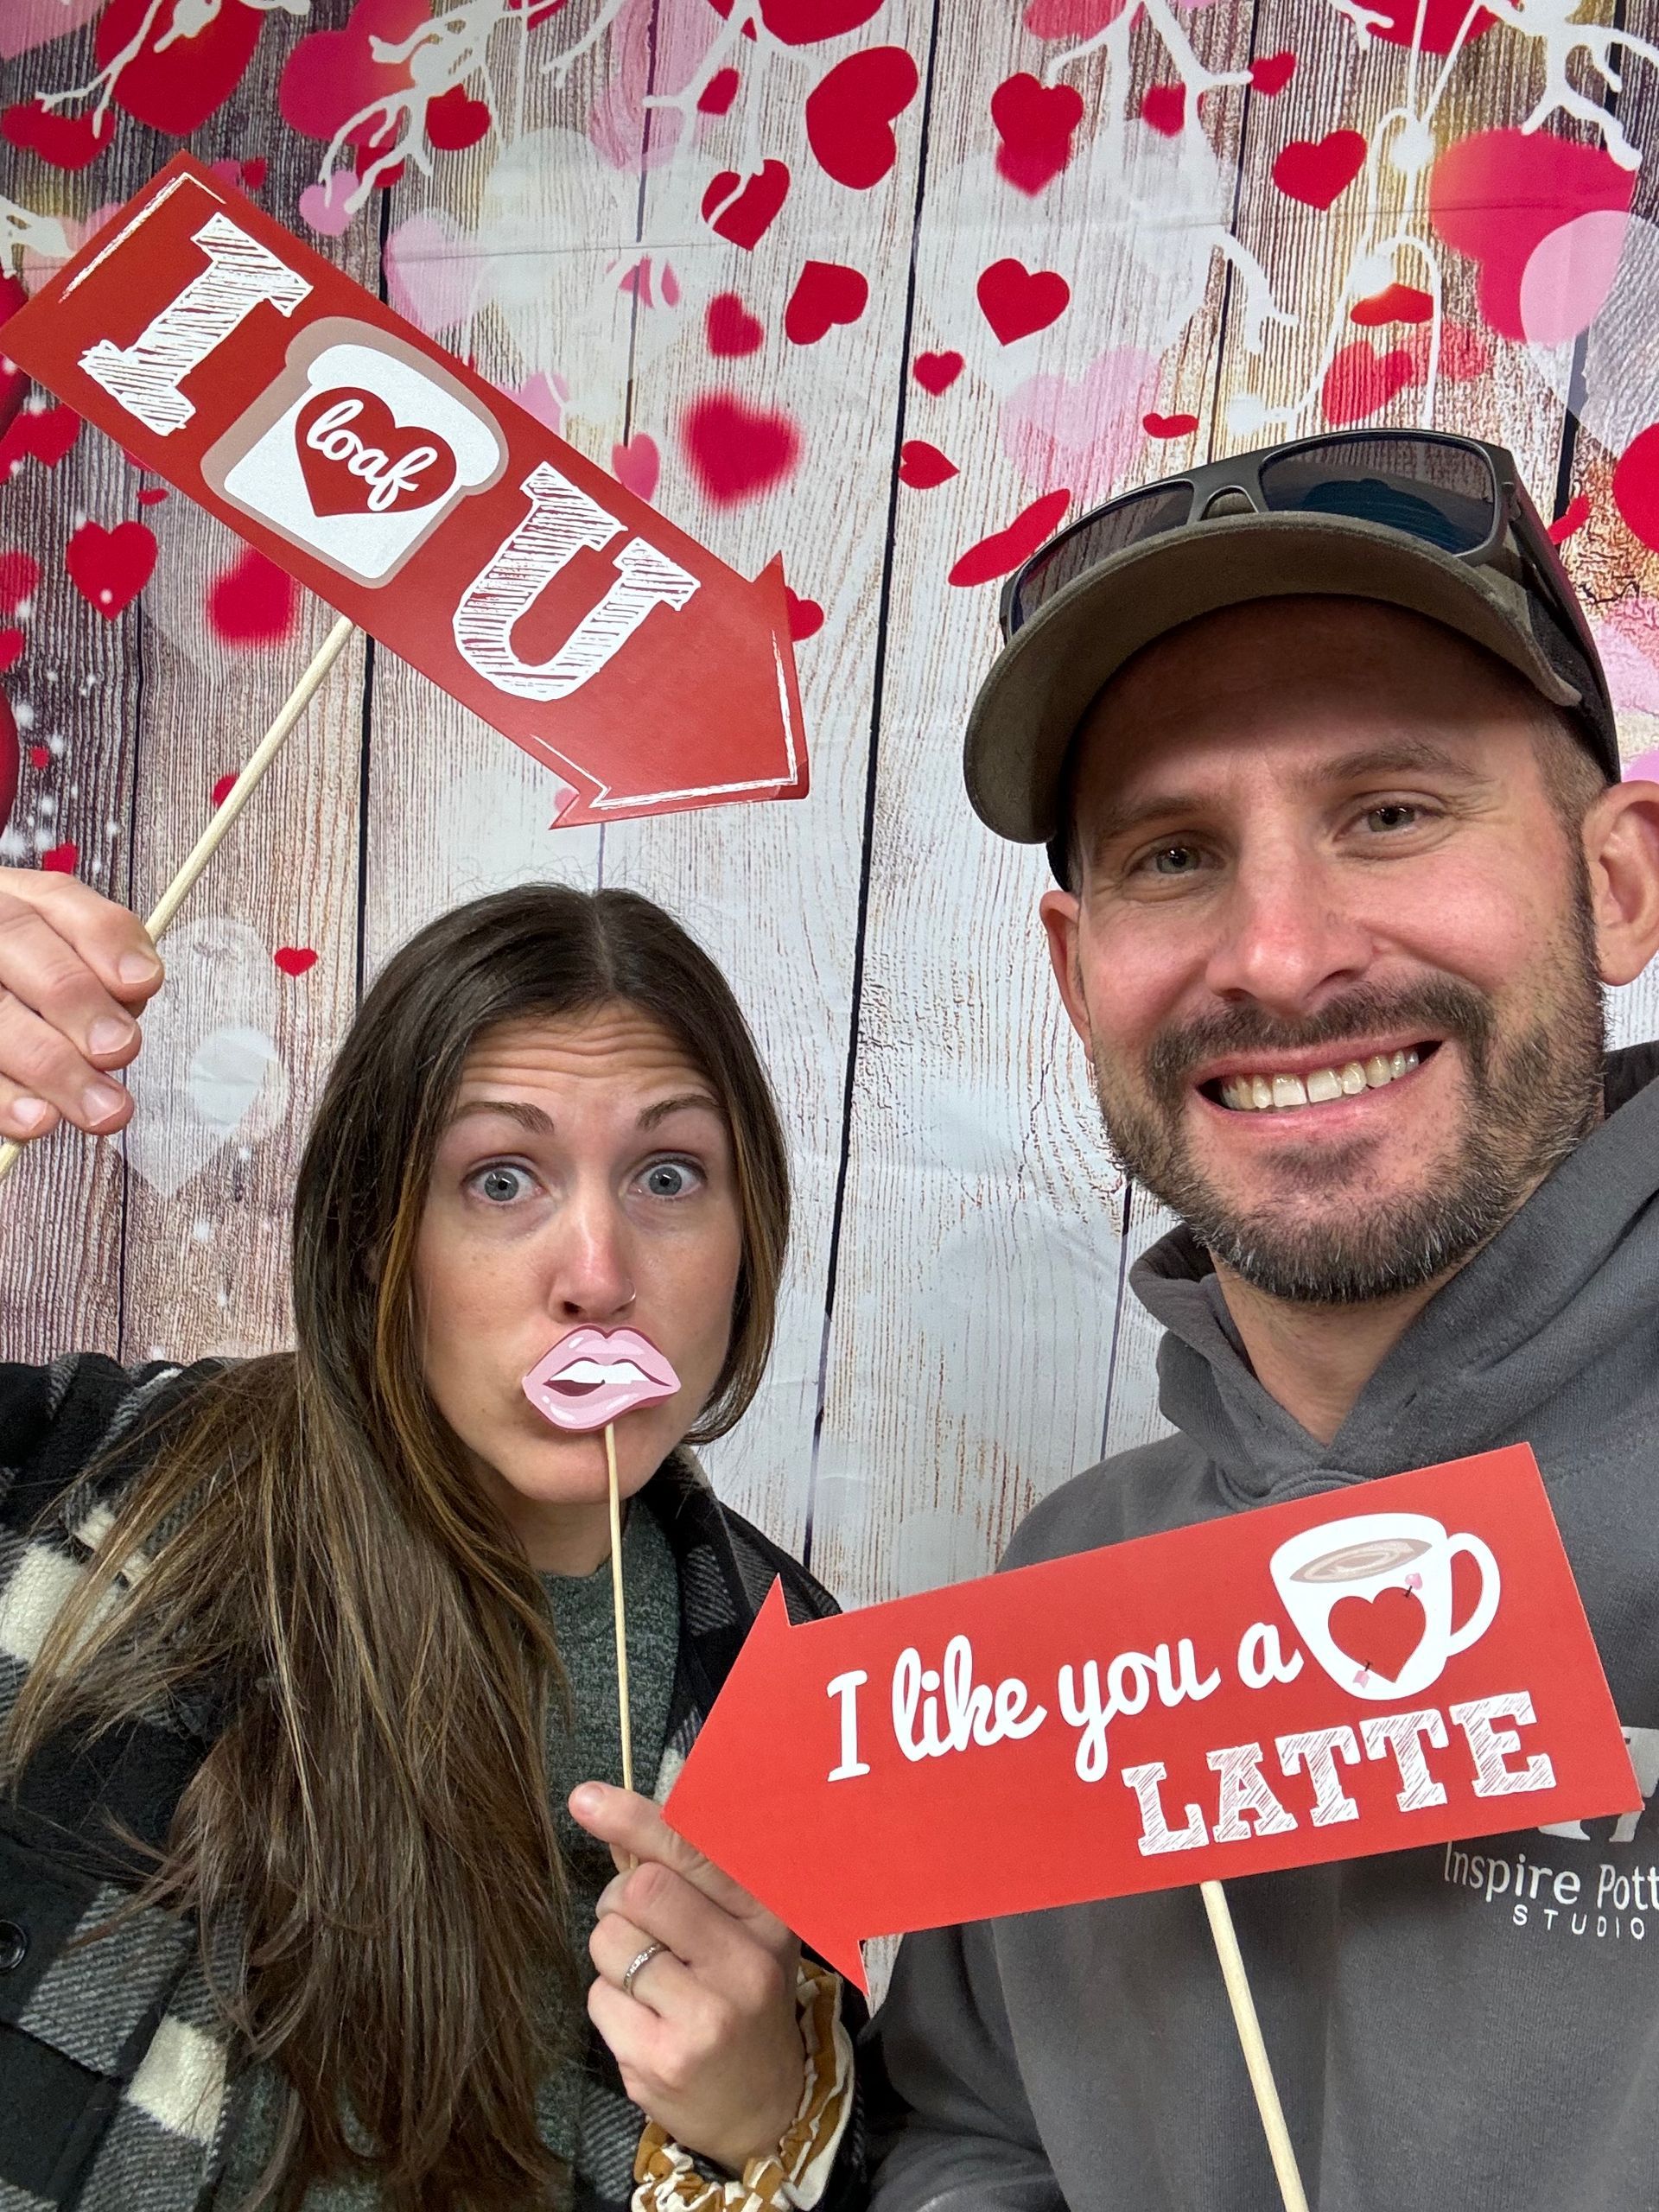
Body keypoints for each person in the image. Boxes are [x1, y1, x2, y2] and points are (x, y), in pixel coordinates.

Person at [865, 430, 1659, 2209]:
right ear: (1077, 972)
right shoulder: (1059, 1597)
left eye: (1390, 809)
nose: (1282, 957)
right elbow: (970, 2135)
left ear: (1617, 880)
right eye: (1171, 853)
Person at [0, 877, 863, 2212]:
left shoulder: (830, 1709)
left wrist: (769, 2135)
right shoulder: (76, 1484)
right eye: (501, 1179)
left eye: (670, 1174)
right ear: (370, 1245)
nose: (598, 1271)